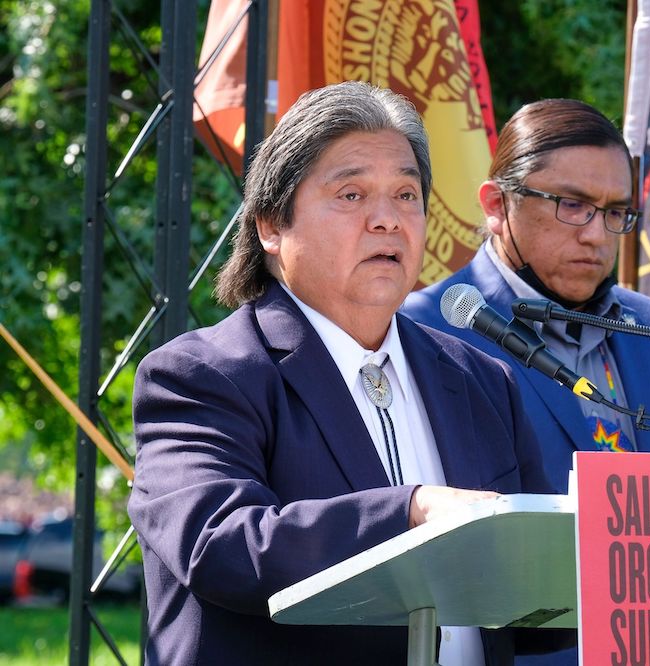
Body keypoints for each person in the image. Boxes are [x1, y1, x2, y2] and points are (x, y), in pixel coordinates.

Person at [126, 81, 557, 666]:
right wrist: (411, 513)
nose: (387, 220)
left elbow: (534, 606)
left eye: (406, 194)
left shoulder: (482, 380)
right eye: (352, 194)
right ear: (271, 226)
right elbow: (220, 543)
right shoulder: (201, 376)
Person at [403, 98, 650, 498]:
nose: (596, 236)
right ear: (497, 205)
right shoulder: (422, 332)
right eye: (572, 205)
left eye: (615, 212)